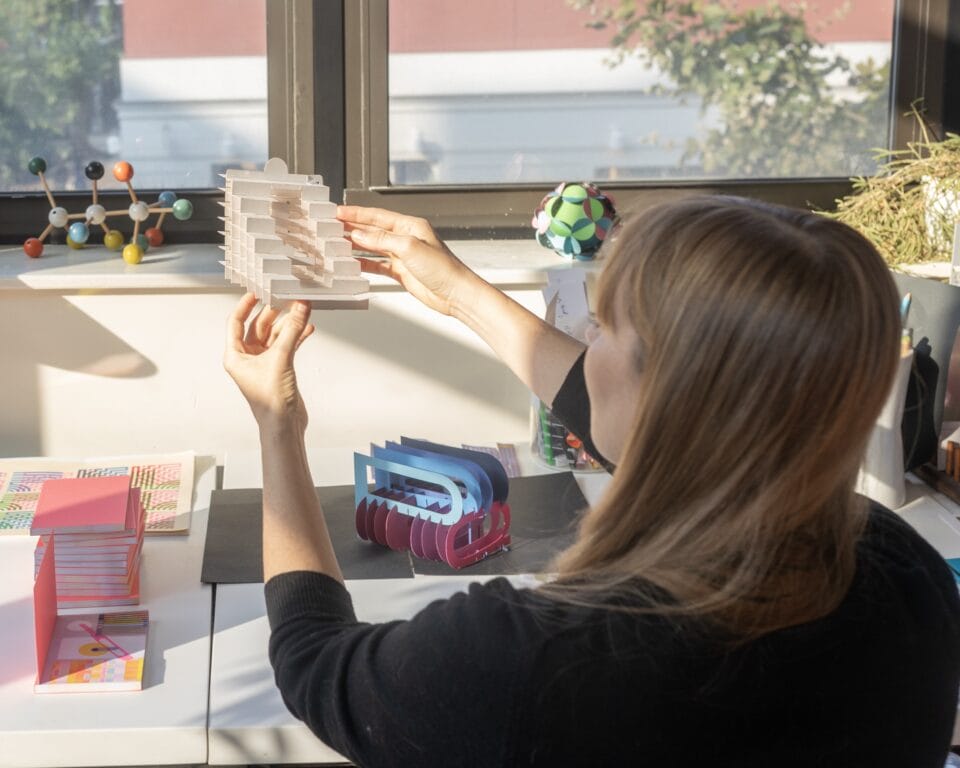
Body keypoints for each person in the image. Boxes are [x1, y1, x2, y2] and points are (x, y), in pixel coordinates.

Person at [223, 195, 960, 768]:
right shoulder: (908, 580)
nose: (586, 342)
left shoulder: (532, 659)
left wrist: (277, 424)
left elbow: (316, 663)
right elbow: (636, 416)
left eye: (603, 326)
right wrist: (457, 293)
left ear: (669, 398)